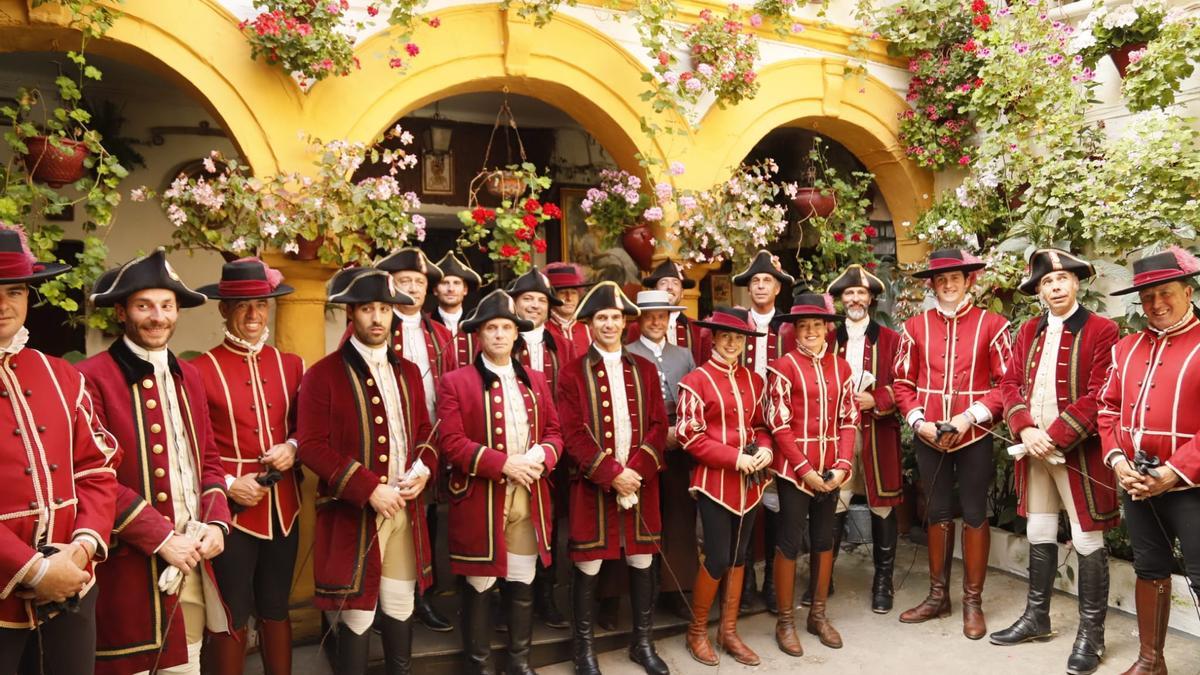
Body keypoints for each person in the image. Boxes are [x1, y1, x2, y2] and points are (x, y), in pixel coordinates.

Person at [80, 248, 232, 675]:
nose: (157, 317)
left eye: (166, 306)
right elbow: (93, 477)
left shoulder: (191, 375)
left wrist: (217, 523)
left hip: (193, 569)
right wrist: (162, 537)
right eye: (144, 306)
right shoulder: (91, 378)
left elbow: (210, 460)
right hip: (129, 577)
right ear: (121, 313)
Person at [296, 266, 437, 674]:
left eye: (384, 309)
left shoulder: (409, 372)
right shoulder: (322, 374)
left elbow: (426, 433)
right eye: (366, 309)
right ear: (350, 314)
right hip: (353, 516)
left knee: (399, 603)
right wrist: (369, 487)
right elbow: (311, 446)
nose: (377, 319)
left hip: (405, 512)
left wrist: (424, 468)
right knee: (356, 612)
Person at [988, 248, 1119, 674]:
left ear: (1077, 283)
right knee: (1038, 528)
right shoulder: (1028, 330)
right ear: (1039, 290)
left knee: (1086, 538)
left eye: (1062, 279)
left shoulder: (1103, 329)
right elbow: (1009, 382)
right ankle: (1037, 618)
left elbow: (1101, 393)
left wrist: (1056, 435)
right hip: (1033, 449)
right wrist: (1025, 427)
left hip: (1077, 452)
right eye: (1047, 282)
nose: (1056, 287)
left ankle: (1091, 636)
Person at [0, 227, 118, 675]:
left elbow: (97, 469)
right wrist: (32, 569)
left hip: (73, 587)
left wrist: (82, 549)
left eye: (15, 291)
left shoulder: (61, 375)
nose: (4, 305)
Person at [437, 290, 564, 675]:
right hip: (480, 496)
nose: (499, 335)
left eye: (506, 327)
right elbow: (452, 444)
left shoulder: (537, 380)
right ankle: (477, 665)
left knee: (522, 578)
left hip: (530, 493)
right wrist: (504, 464)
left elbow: (556, 433)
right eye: (491, 328)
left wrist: (541, 456)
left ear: (516, 334)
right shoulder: (454, 382)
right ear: (479, 335)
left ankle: (518, 661)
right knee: (479, 581)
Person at [192, 258, 304, 675]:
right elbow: (191, 448)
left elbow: (304, 428)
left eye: (261, 303)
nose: (254, 314)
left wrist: (293, 446)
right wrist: (225, 484)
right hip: (231, 513)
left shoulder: (291, 364)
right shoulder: (199, 370)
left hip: (285, 508)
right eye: (242, 306)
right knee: (231, 612)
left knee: (277, 606)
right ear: (224, 309)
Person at [893, 248, 1012, 640]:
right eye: (941, 280)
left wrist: (968, 417)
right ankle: (937, 597)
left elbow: (1006, 385)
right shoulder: (915, 327)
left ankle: (972, 602)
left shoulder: (993, 324)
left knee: (976, 513)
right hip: (930, 436)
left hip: (974, 434)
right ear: (932, 284)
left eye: (955, 278)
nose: (948, 285)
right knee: (938, 511)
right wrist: (919, 423)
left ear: (969, 281)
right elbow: (902, 385)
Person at [557, 281, 669, 675]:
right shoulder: (571, 373)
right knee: (588, 563)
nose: (608, 324)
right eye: (601, 317)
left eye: (615, 318)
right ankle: (582, 650)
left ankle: (643, 642)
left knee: (642, 558)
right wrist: (611, 474)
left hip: (641, 482)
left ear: (625, 323)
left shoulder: (645, 369)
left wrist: (635, 471)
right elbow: (571, 433)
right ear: (589, 324)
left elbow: (659, 424)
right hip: (592, 486)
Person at [1098, 247, 1200, 675]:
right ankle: (1150, 660)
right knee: (1149, 567)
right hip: (1137, 481)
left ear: (1189, 290)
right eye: (1147, 296)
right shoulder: (1126, 348)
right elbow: (1108, 410)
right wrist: (1119, 461)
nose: (1156, 304)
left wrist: (1172, 472)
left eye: (1166, 293)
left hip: (1192, 487)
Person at [676, 307, 773, 667]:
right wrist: (734, 459)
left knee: (739, 556)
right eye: (726, 337)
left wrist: (764, 448)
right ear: (713, 339)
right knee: (717, 556)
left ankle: (728, 631)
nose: (732, 343)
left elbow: (763, 424)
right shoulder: (696, 381)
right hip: (715, 482)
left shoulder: (754, 380)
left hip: (750, 483)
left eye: (738, 338)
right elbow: (689, 435)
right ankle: (697, 631)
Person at [765, 292, 858, 656]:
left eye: (817, 325)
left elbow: (850, 420)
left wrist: (843, 466)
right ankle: (785, 621)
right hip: (794, 472)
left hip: (831, 470)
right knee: (789, 542)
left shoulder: (842, 367)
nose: (810, 331)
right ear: (794, 331)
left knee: (824, 540)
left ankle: (817, 615)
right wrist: (805, 470)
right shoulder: (783, 366)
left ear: (827, 329)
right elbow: (778, 425)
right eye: (803, 326)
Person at [375, 247, 454, 633]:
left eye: (419, 283)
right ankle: (375, 600)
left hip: (431, 440)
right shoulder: (374, 326)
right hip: (386, 441)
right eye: (404, 281)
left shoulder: (439, 333)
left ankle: (423, 594)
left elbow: (452, 389)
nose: (412, 288)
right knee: (383, 518)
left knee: (427, 517)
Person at [825, 264, 904, 614]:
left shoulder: (891, 340)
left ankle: (882, 582)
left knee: (881, 503)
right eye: (849, 293)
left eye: (861, 292)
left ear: (871, 298)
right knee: (835, 499)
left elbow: (905, 385)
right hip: (836, 434)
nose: (855, 298)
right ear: (841, 300)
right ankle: (823, 576)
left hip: (877, 433)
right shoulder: (827, 339)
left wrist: (879, 399)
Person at [625, 289, 698, 620]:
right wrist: (655, 436)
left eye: (662, 316)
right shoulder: (627, 352)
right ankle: (636, 592)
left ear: (670, 319)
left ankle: (677, 589)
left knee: (679, 516)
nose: (656, 321)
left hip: (678, 441)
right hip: (641, 440)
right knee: (639, 515)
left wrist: (679, 432)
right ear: (639, 319)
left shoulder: (683, 354)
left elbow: (694, 397)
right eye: (650, 316)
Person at [730, 249, 796, 612]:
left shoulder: (788, 327)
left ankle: (772, 578)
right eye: (754, 280)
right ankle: (744, 582)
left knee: (775, 502)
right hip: (739, 422)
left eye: (766, 280)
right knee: (741, 500)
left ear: (777, 287)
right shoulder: (734, 323)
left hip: (781, 424)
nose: (759, 286)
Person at [508, 266, 573, 629]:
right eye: (527, 299)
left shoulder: (563, 345)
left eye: (540, 301)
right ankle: (510, 598)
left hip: (553, 451)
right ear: (515, 303)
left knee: (548, 524)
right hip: (510, 454)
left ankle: (546, 594)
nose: (534, 306)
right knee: (507, 523)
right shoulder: (501, 337)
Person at [629, 259, 708, 365]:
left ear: (682, 293)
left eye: (675, 283)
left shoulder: (697, 328)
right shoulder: (637, 327)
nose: (670, 287)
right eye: (663, 283)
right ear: (654, 290)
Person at [434, 252, 484, 373]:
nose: (451, 289)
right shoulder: (426, 323)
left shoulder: (478, 323)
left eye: (456, 283)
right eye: (445, 283)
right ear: (435, 290)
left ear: (465, 290)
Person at [543, 262, 593, 361]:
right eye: (562, 292)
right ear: (552, 297)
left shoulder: (588, 331)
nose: (569, 298)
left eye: (573, 292)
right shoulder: (543, 330)